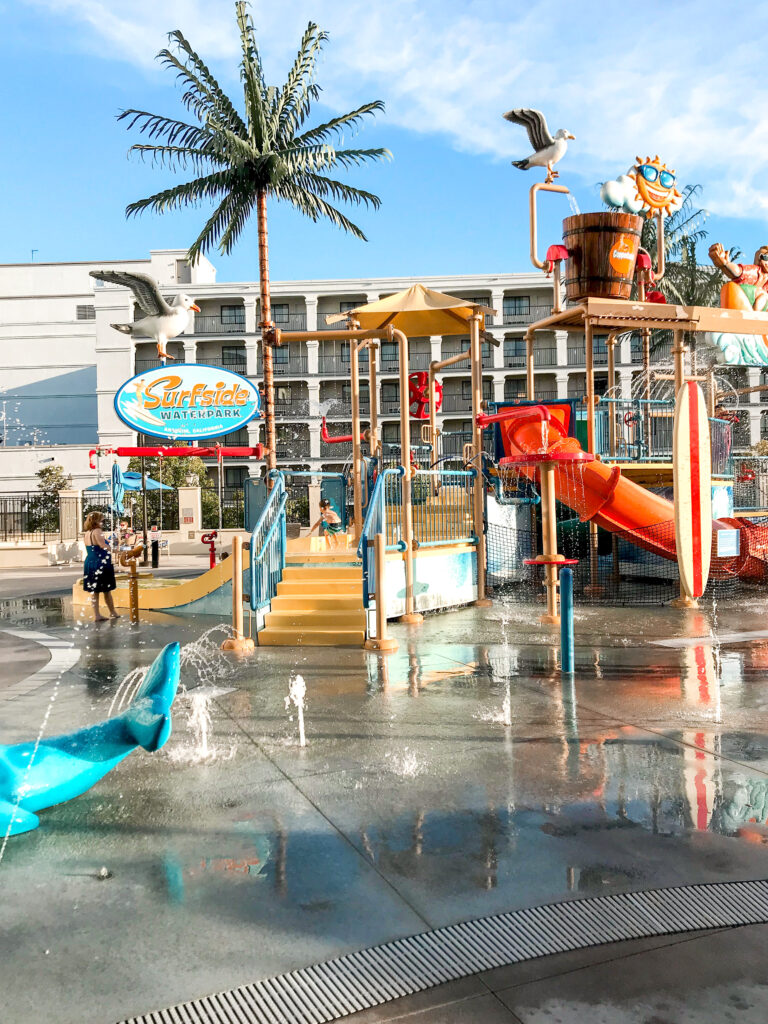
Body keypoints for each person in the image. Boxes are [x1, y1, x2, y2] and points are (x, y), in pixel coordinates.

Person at [82, 511, 119, 622]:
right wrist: (116, 551)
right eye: (102, 520)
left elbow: (95, 545)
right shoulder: (97, 531)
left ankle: (97, 615)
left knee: (94, 591)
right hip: (100, 563)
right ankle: (113, 612)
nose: (103, 522)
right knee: (107, 590)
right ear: (96, 521)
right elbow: (102, 546)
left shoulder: (87, 533)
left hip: (90, 562)